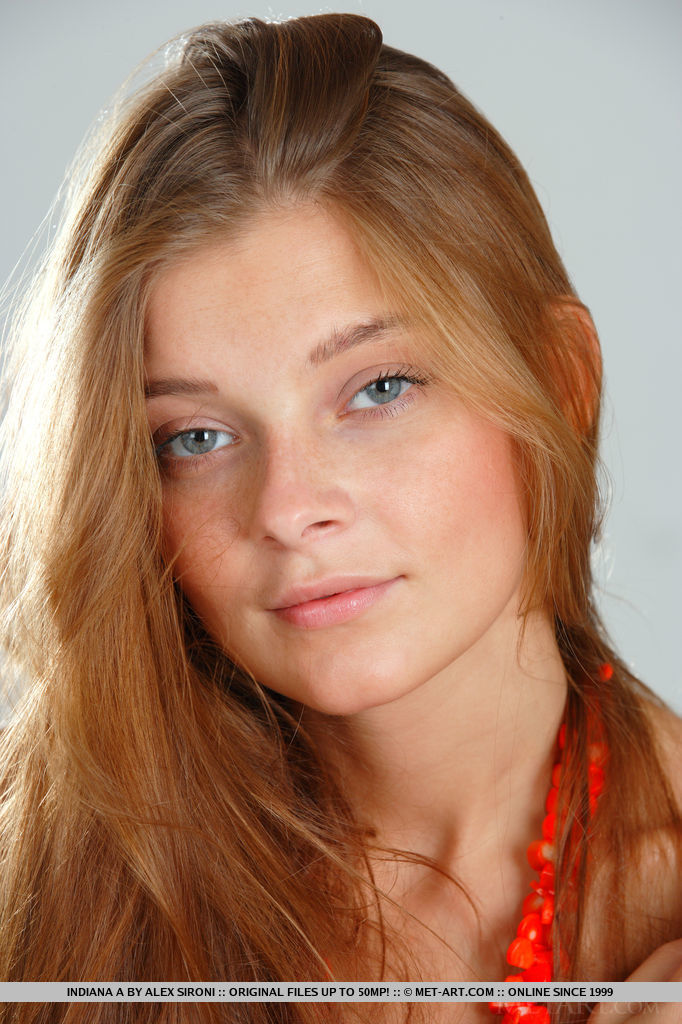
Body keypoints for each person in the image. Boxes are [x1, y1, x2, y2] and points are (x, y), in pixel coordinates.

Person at [0, 13, 680, 1024]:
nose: (286, 509)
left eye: (378, 389)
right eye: (195, 437)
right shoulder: (43, 887)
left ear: (560, 383)